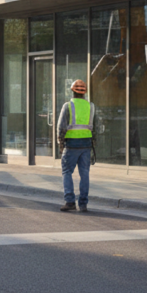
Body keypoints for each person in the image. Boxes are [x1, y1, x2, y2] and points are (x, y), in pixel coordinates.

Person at [57, 78, 95, 213]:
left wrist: (60, 143)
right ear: (84, 92)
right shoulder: (91, 106)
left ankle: (70, 201)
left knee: (67, 172)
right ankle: (83, 204)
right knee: (85, 173)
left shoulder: (67, 105)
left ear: (72, 91)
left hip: (71, 143)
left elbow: (61, 127)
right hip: (86, 143)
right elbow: (95, 126)